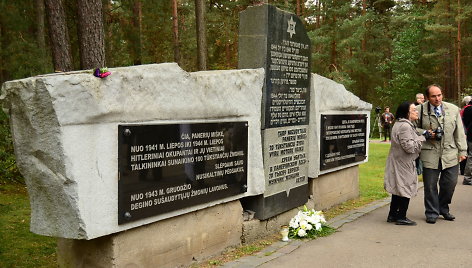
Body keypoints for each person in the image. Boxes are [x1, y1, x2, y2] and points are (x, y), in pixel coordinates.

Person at [414, 84, 467, 224]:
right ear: (427, 97)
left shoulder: (453, 109)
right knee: (430, 185)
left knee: (450, 183)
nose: (437, 98)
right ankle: (431, 212)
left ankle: (443, 208)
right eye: (433, 96)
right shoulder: (419, 110)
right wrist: (425, 133)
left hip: (450, 152)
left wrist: (463, 151)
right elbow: (412, 128)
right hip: (429, 152)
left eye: (439, 95)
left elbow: (459, 132)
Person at [384, 101, 425, 226]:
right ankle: (401, 216)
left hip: (398, 160)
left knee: (398, 188)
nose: (416, 112)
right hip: (404, 162)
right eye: (413, 110)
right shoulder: (405, 126)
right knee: (405, 187)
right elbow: (410, 147)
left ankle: (392, 215)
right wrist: (424, 138)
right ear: (407, 112)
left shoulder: (400, 124)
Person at [460, 96, 472, 176]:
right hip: (467, 133)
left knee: (467, 154)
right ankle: (467, 176)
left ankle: (464, 172)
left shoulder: (464, 109)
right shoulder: (469, 109)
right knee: (469, 155)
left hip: (466, 133)